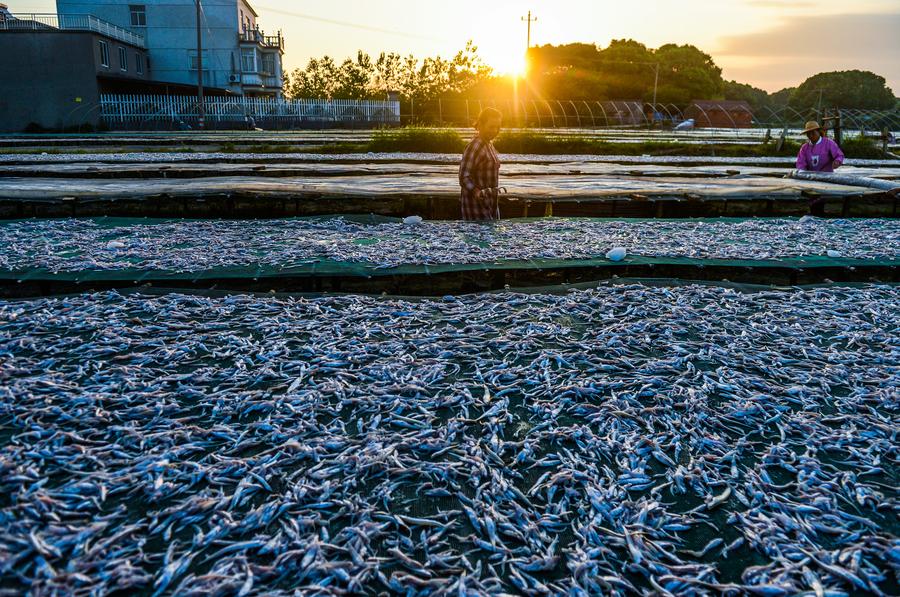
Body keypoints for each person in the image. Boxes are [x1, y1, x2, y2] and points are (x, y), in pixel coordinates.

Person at [459, 107, 503, 221]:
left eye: (498, 127)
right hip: (476, 206)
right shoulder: (475, 146)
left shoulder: (489, 144)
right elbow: (463, 176)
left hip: (490, 203)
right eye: (491, 127)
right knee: (479, 238)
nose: (495, 130)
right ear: (481, 125)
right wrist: (476, 191)